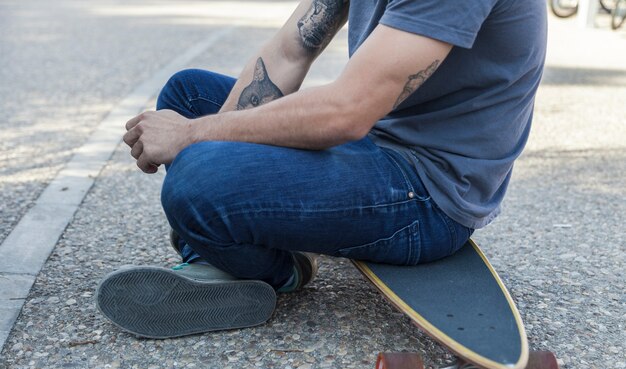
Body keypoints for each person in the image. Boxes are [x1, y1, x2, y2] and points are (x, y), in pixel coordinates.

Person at [96, 0, 547, 339]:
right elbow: (289, 51)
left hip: (426, 191)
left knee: (196, 173)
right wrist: (208, 141)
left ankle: (283, 265)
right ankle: (224, 249)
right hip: (374, 141)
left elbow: (345, 113)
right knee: (189, 96)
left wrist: (194, 141)